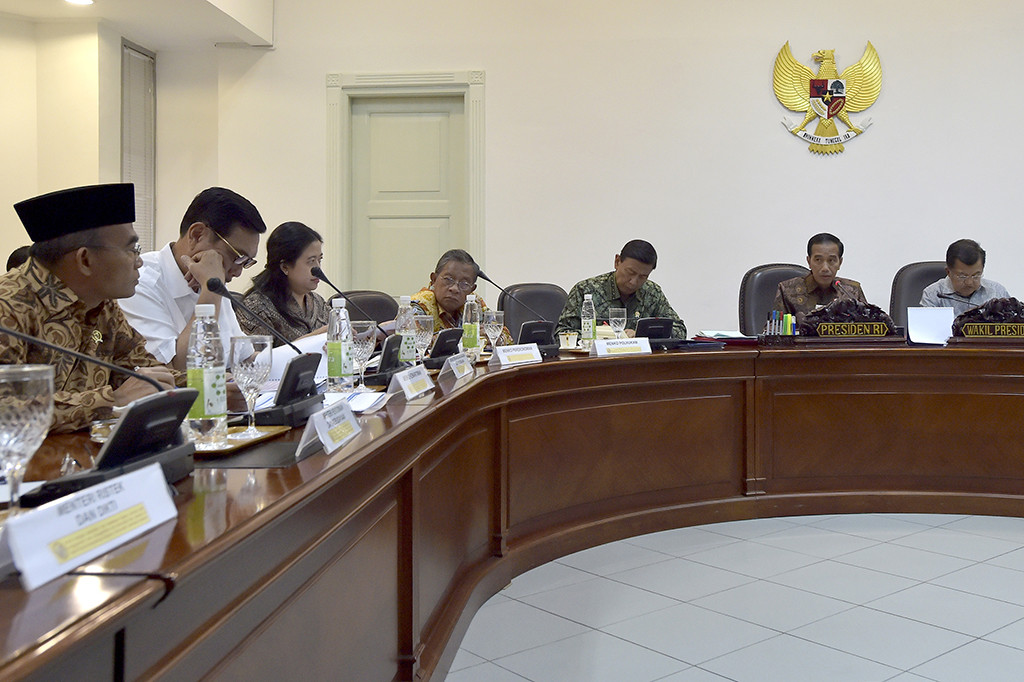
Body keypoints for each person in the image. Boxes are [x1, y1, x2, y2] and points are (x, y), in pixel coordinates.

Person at [0, 183, 175, 433]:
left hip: (85, 460)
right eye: (130, 249)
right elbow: (4, 412)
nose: (138, 261)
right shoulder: (7, 306)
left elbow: (141, 372)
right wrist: (111, 401)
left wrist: (209, 387)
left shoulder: (103, 305)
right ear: (85, 259)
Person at [120, 187, 267, 371]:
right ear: (197, 235)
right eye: (237, 257)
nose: (238, 272)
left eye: (246, 262)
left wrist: (301, 352)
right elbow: (174, 373)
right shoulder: (138, 282)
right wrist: (211, 290)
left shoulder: (214, 279)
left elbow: (245, 358)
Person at [556, 239, 686, 338]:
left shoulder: (652, 293)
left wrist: (640, 335)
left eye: (643, 276)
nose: (634, 281)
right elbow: (562, 334)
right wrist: (605, 337)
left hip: (639, 366)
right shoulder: (586, 290)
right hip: (596, 366)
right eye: (630, 272)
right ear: (617, 262)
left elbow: (679, 330)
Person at [237, 222, 330, 346]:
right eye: (311, 261)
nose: (318, 269)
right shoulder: (256, 308)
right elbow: (257, 361)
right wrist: (315, 337)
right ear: (285, 267)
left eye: (320, 260)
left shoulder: (319, 304)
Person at [409, 249, 512, 345]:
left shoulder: (474, 303)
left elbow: (507, 336)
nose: (454, 289)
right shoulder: (419, 305)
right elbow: (410, 342)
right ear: (434, 279)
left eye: (464, 284)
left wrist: (496, 338)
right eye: (448, 279)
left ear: (472, 289)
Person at [772, 232, 868, 324]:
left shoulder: (852, 291)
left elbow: (869, 328)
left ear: (840, 262)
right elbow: (774, 332)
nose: (825, 268)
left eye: (831, 260)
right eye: (818, 260)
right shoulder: (787, 291)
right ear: (809, 261)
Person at [920, 239, 1009, 317]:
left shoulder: (997, 292)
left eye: (976, 275)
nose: (969, 282)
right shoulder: (933, 295)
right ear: (948, 272)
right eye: (962, 276)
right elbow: (927, 332)